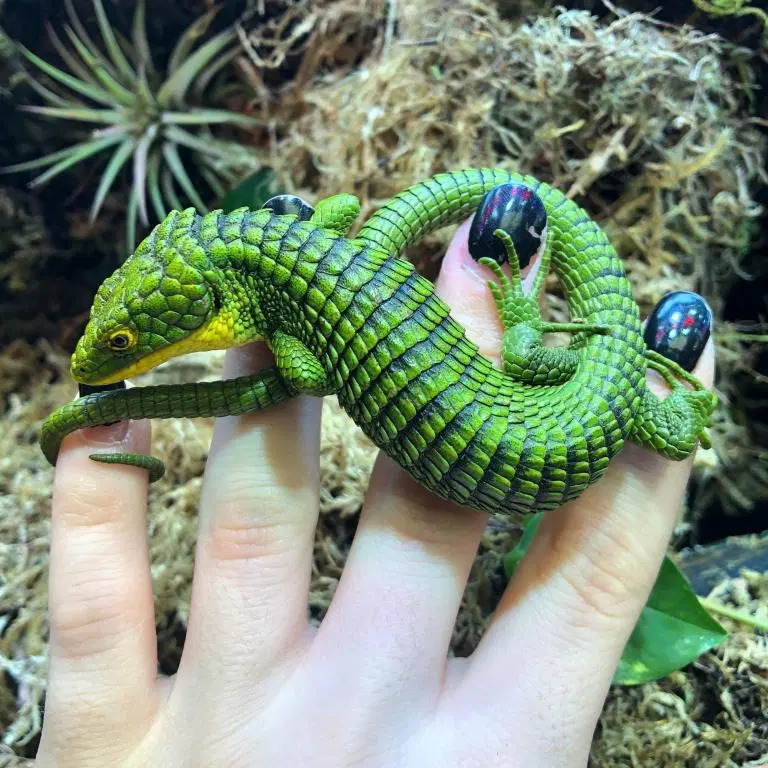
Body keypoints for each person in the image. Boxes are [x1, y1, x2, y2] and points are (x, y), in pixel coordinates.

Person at [35, 216, 714, 767]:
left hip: (543, 442)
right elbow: (332, 216)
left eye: (122, 343)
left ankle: (637, 388)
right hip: (570, 398)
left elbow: (302, 373)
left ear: (211, 304)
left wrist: (283, 337)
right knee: (550, 366)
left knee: (560, 376)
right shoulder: (294, 253)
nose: (101, 360)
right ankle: (644, 390)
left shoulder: (278, 325)